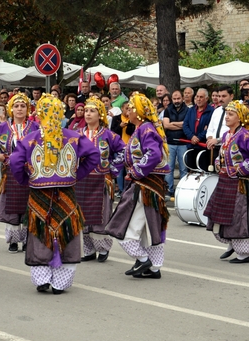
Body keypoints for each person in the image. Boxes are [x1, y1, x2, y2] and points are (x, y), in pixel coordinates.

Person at [9, 94, 99, 294]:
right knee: (67, 230)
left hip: (38, 193)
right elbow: (94, 154)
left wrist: (26, 179)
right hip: (66, 192)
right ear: (60, 114)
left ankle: (41, 278)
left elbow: (15, 163)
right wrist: (76, 174)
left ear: (39, 115)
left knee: (41, 230)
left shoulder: (29, 139)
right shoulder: (73, 136)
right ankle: (60, 283)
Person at [106, 93, 170, 279]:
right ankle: (152, 267)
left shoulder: (146, 130)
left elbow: (153, 154)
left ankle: (144, 260)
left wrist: (136, 172)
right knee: (146, 227)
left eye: (131, 108)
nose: (128, 111)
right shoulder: (141, 129)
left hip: (145, 185)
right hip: (142, 184)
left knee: (129, 227)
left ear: (139, 112)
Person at [204, 101, 249, 263]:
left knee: (240, 216)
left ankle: (245, 253)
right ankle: (232, 244)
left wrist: (242, 168)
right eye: (227, 114)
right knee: (224, 215)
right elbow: (222, 154)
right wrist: (218, 162)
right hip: (225, 181)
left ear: (240, 118)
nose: (227, 117)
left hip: (241, 184)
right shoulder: (226, 135)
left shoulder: (246, 135)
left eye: (231, 114)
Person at [0, 93, 38, 253]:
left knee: (29, 206)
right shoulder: (2, 127)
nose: (19, 109)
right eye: (16, 106)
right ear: (10, 109)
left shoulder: (35, 128)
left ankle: (28, 239)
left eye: (23, 106)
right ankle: (13, 240)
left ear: (28, 109)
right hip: (10, 173)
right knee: (12, 207)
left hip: (30, 175)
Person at [77, 97, 125, 262]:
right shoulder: (77, 134)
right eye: (87, 111)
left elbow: (123, 152)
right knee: (82, 215)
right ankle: (89, 249)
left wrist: (112, 169)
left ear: (100, 115)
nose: (88, 114)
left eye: (92, 111)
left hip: (100, 181)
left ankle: (103, 248)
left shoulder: (109, 136)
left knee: (100, 215)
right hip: (81, 181)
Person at [163, 90, 189, 197]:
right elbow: (166, 126)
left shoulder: (188, 110)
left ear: (182, 98)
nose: (176, 101)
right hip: (170, 142)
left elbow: (187, 125)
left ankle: (182, 190)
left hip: (183, 142)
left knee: (184, 168)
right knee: (169, 168)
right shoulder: (168, 109)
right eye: (174, 99)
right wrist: (180, 125)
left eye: (178, 98)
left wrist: (172, 123)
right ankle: (169, 189)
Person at [182, 88, 214, 167]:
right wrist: (191, 136)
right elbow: (185, 125)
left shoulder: (212, 111)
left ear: (206, 98)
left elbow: (210, 127)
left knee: (202, 170)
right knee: (191, 170)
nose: (198, 99)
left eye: (201, 97)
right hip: (191, 145)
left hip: (203, 146)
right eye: (197, 97)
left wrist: (198, 137)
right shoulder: (191, 110)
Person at [205, 85, 233, 150]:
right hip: (214, 147)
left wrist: (218, 140)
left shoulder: (236, 111)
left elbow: (235, 132)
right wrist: (210, 140)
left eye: (224, 96)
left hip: (228, 147)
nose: (220, 99)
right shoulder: (216, 111)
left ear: (231, 96)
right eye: (219, 96)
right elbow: (210, 129)